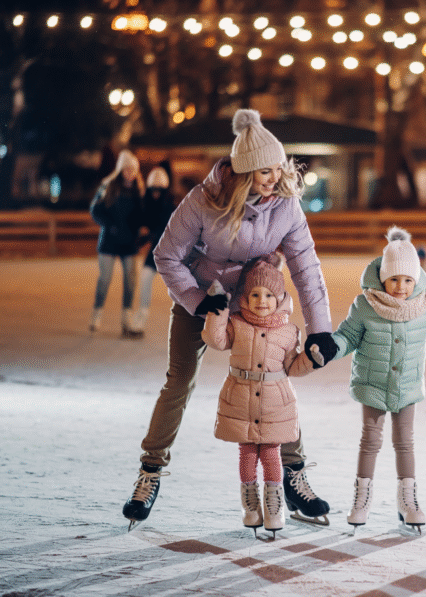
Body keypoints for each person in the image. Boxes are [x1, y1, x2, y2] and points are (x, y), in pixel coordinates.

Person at [122, 109, 338, 530]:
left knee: (275, 384)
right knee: (179, 380)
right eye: (264, 171)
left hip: (259, 306)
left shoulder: (286, 206)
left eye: (277, 168)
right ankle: (150, 471)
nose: (274, 177)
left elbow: (307, 268)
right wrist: (198, 301)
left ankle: (293, 475)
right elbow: (166, 255)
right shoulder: (204, 200)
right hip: (203, 303)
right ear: (242, 171)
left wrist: (321, 329)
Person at [311, 227, 426, 532]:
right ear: (383, 278)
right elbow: (347, 337)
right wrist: (330, 347)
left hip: (407, 387)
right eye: (394, 279)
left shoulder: (424, 305)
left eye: (407, 280)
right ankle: (361, 500)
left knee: (405, 443)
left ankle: (408, 500)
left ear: (416, 279)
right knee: (370, 441)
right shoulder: (366, 305)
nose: (400, 287)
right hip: (372, 384)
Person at [201, 253, 315, 534]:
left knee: (272, 453)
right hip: (241, 398)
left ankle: (274, 503)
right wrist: (217, 310)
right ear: (246, 297)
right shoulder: (236, 324)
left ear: (279, 299)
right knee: (248, 453)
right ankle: (250, 504)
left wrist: (313, 359)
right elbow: (215, 340)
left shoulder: (289, 331)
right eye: (254, 294)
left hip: (275, 402)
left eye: (268, 295)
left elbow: (293, 366)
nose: (261, 301)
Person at [89, 149, 145, 338]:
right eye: (127, 169)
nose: (130, 173)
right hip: (109, 241)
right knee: (105, 279)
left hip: (129, 243)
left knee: (131, 280)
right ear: (121, 169)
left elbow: (143, 215)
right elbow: (95, 210)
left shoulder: (139, 190)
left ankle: (126, 319)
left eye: (133, 170)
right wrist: (110, 225)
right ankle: (97, 313)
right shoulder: (108, 186)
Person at [131, 166, 176, 338]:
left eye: (159, 189)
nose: (156, 192)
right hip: (155, 252)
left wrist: (143, 239)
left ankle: (190, 322)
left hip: (172, 253)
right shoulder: (147, 204)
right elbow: (141, 221)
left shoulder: (170, 206)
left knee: (179, 287)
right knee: (145, 279)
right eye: (153, 189)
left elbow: (160, 229)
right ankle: (140, 320)